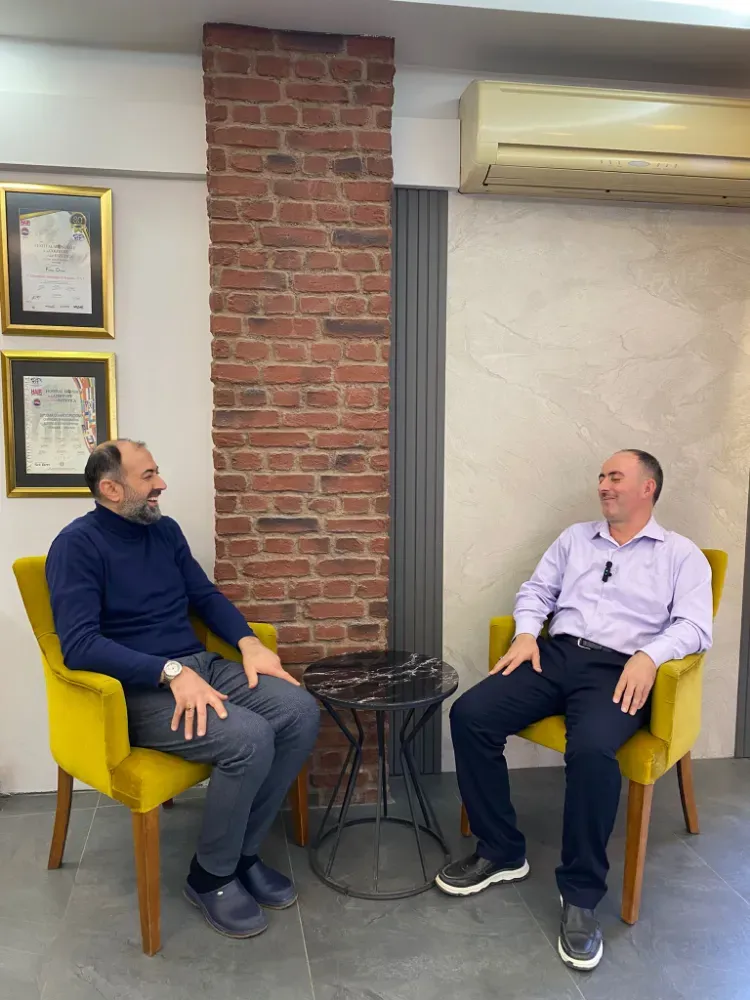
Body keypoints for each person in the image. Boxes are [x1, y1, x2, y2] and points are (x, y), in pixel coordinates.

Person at [436, 450, 712, 972]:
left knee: (590, 750)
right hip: (556, 654)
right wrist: (525, 634)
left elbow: (696, 626)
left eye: (616, 477)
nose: (603, 485)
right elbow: (537, 591)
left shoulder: (681, 555)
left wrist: (650, 656)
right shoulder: (575, 539)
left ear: (648, 487)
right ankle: (501, 850)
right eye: (602, 477)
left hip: (619, 669)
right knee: (471, 714)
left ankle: (581, 894)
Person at [46, 439, 320, 939]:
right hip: (138, 692)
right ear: (111, 489)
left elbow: (204, 596)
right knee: (249, 737)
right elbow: (80, 646)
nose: (162, 484)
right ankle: (210, 877)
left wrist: (248, 644)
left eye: (158, 473)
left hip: (201, 668)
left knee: (299, 711)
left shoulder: (165, 532)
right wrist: (169, 672)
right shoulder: (76, 546)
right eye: (148, 476)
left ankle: (242, 854)